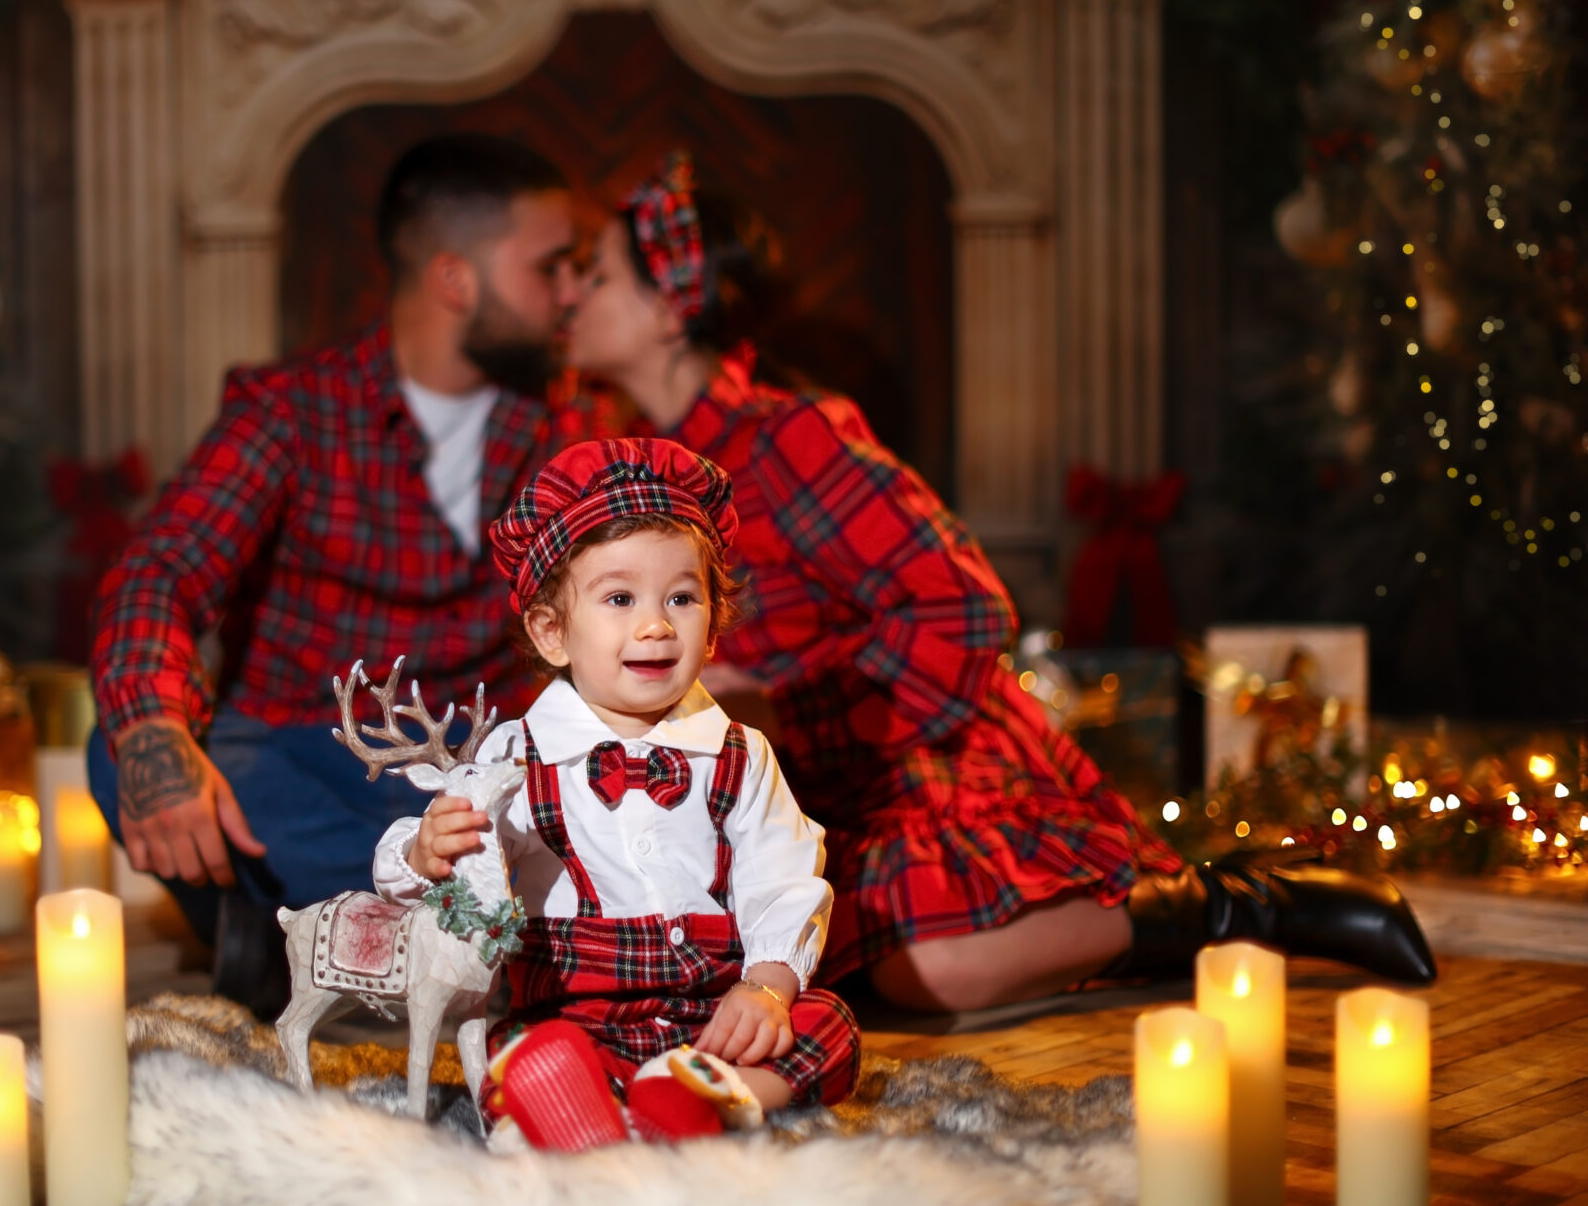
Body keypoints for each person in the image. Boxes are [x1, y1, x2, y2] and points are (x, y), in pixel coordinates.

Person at [558, 153, 1437, 1013]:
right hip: (772, 792)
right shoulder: (634, 469)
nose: (570, 295)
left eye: (594, 276)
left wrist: (793, 716)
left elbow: (961, 606)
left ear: (669, 309)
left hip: (912, 761)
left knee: (923, 967)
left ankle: (1246, 903)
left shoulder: (786, 439)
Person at [84, 134, 581, 1006]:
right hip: (296, 762)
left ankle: (312, 937)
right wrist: (151, 733)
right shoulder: (292, 411)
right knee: (122, 743)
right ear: (457, 280)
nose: (572, 293)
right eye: (551, 268)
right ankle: (430, 943)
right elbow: (160, 569)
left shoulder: (565, 424)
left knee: (571, 797)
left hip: (471, 787)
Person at [372, 438, 860, 1150]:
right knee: (519, 1059)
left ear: (715, 623)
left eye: (683, 598)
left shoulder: (740, 754)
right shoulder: (516, 753)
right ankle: (580, 1111)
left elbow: (780, 879)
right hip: (571, 1011)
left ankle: (703, 1097)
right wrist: (426, 851)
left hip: (710, 1017)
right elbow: (446, 876)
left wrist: (766, 988)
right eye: (620, 598)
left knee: (829, 1023)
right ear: (551, 632)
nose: (656, 623)